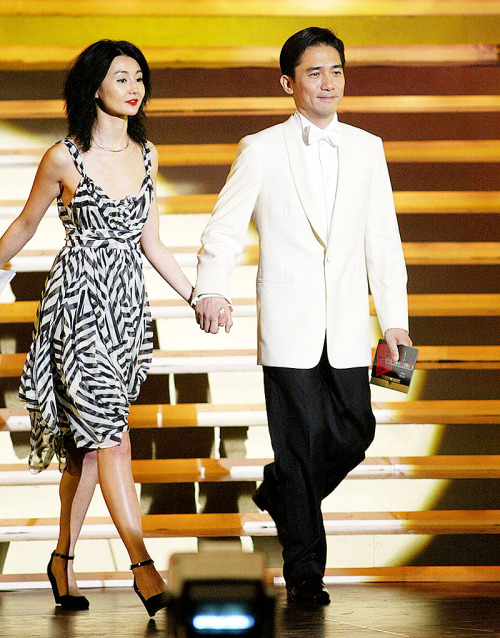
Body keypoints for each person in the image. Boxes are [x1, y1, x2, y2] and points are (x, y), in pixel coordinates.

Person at [193, 27, 412, 605]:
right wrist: (211, 290)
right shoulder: (260, 148)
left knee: (354, 432)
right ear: (288, 82)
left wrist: (395, 318)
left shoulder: (368, 147)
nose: (328, 82)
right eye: (315, 73)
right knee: (298, 443)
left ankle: (280, 489)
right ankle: (305, 575)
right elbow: (224, 226)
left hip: (345, 325)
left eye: (336, 71)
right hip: (287, 325)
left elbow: (383, 240)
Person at [0, 39, 193, 615]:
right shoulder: (63, 157)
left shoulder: (148, 154)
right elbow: (27, 223)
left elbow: (151, 241)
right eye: (122, 77)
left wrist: (196, 295)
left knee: (86, 451)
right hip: (78, 306)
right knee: (112, 437)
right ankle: (143, 563)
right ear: (94, 87)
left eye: (140, 78)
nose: (135, 88)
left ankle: (62, 559)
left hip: (127, 310)